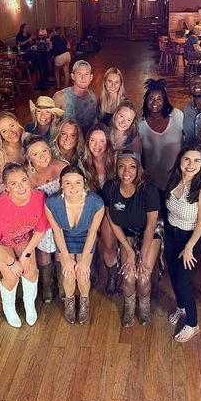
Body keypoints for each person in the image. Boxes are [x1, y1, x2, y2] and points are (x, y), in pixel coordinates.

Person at [0, 163, 49, 327]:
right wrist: (12, 263)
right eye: (14, 183)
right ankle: (8, 307)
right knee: (11, 275)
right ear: (5, 187)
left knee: (30, 271)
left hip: (21, 236)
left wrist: (25, 256)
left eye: (24, 180)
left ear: (29, 179)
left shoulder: (39, 198)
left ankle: (29, 305)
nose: (21, 187)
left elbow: (39, 231)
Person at [102, 149, 161, 326]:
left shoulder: (149, 188)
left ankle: (144, 306)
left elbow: (151, 225)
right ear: (116, 169)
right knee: (128, 276)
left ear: (138, 169)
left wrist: (142, 257)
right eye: (122, 167)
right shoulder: (109, 188)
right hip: (126, 232)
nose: (126, 172)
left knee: (143, 278)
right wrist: (129, 251)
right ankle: (129, 307)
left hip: (148, 231)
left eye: (132, 167)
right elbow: (113, 222)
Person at [45, 166, 105, 325]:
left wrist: (84, 260)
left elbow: (92, 233)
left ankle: (85, 301)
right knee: (69, 274)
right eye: (68, 183)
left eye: (77, 183)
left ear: (84, 183)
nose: (73, 188)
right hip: (64, 239)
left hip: (86, 239)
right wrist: (65, 258)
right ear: (61, 185)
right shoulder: (51, 203)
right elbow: (57, 232)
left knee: (83, 274)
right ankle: (69, 301)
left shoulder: (96, 203)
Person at [165, 144, 201, 343]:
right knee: (174, 276)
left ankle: (193, 323)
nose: (191, 164)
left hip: (190, 237)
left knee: (183, 281)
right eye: (187, 159)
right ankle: (181, 306)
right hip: (171, 232)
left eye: (196, 161)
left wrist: (189, 246)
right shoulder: (175, 178)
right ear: (180, 160)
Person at [23, 135, 68, 302]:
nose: (41, 157)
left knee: (60, 251)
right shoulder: (26, 175)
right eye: (35, 154)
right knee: (43, 252)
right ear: (28, 158)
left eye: (44, 151)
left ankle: (62, 282)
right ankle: (47, 283)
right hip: (40, 220)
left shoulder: (62, 166)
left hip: (61, 218)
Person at [81, 124, 117, 294]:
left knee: (109, 244)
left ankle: (112, 276)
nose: (97, 145)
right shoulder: (83, 163)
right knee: (88, 238)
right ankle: (92, 266)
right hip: (90, 208)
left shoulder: (115, 160)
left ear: (108, 142)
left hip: (111, 208)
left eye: (101, 140)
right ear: (87, 143)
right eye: (93, 141)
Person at [138, 78, 184, 191]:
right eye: (151, 98)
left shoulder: (177, 116)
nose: (155, 102)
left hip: (177, 180)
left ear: (165, 101)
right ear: (146, 101)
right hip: (152, 183)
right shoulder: (140, 124)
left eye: (159, 99)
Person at [53, 60, 97, 134]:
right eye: (79, 74)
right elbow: (52, 125)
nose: (83, 78)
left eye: (86, 74)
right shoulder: (60, 97)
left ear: (91, 77)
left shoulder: (92, 96)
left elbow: (94, 121)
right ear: (73, 76)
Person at [0, 111, 25, 197]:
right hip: (11, 197)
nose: (11, 132)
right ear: (0, 135)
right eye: (4, 131)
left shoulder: (29, 143)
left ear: (18, 123)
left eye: (12, 126)